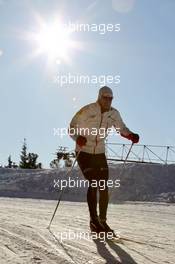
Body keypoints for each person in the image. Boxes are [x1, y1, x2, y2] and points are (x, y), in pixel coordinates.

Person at [69, 86, 139, 234]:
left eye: (110, 98)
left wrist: (131, 135)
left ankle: (103, 221)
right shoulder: (88, 109)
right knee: (93, 182)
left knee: (103, 186)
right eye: (105, 98)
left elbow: (121, 128)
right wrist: (78, 138)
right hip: (84, 150)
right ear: (99, 97)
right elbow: (72, 127)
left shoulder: (114, 113)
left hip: (99, 152)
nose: (108, 101)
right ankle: (93, 221)